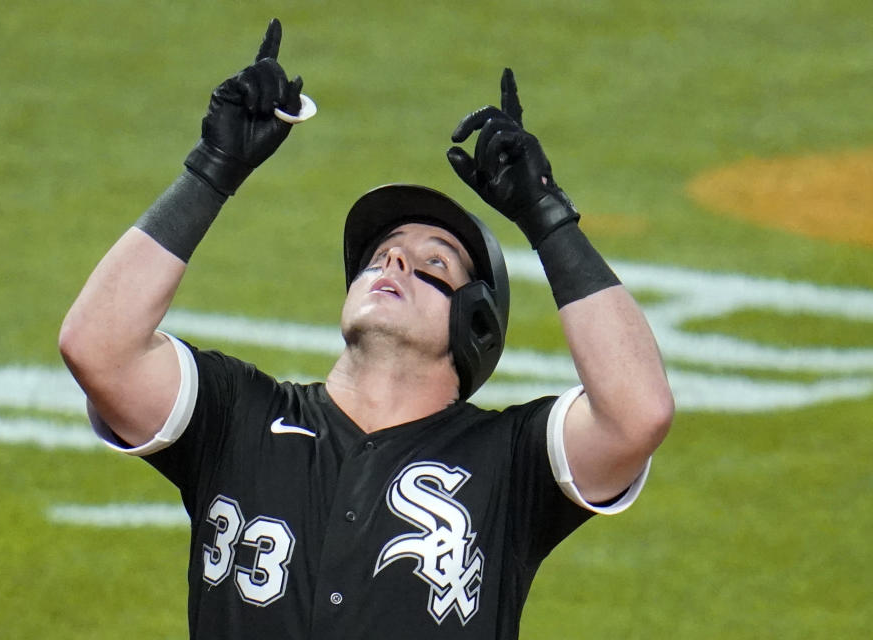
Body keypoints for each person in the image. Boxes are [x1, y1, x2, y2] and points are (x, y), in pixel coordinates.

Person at [59, 18, 674, 640]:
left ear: (476, 324)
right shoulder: (237, 417)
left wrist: (549, 221)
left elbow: (637, 414)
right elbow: (98, 348)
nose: (396, 260)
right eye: (381, 253)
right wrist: (210, 170)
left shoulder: (507, 463)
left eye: (435, 261)